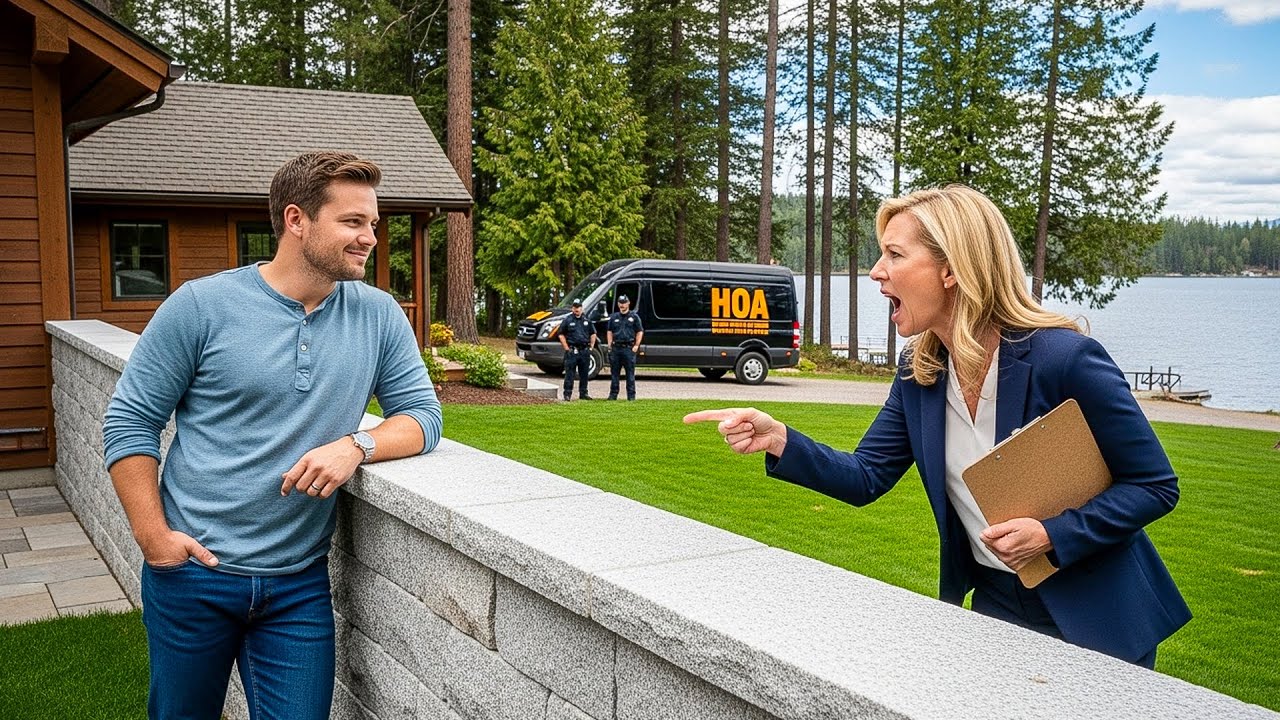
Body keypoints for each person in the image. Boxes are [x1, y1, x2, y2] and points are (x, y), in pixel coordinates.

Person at [685, 184, 1190, 668]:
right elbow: (866, 476)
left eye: (894, 254)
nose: (876, 272)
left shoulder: (1065, 359)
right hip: (995, 604)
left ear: (951, 269)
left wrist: (1051, 534)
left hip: (1100, 616)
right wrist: (781, 440)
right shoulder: (919, 372)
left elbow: (1153, 485)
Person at [102, 151, 442, 719]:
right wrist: (153, 538)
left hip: (297, 585)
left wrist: (356, 446)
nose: (370, 238)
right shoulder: (201, 306)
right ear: (295, 220)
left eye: (373, 223)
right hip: (193, 575)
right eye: (353, 222)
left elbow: (422, 417)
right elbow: (130, 420)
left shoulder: (378, 314)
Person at [606, 293, 644, 400]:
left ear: (628, 303)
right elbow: (609, 331)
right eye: (620, 303)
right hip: (616, 348)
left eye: (624, 303)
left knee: (630, 374)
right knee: (614, 374)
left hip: (628, 348)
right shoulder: (614, 317)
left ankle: (631, 396)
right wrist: (609, 345)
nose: (622, 305)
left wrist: (636, 345)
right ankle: (613, 395)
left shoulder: (634, 317)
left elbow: (640, 331)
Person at [559, 298, 597, 400]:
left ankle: (583, 393)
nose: (577, 309)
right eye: (575, 307)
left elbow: (593, 333)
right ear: (572, 308)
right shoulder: (567, 320)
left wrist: (591, 347)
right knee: (570, 374)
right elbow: (561, 334)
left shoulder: (586, 320)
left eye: (578, 307)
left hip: (584, 350)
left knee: (584, 373)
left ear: (581, 308)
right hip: (572, 350)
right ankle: (567, 394)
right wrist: (566, 348)